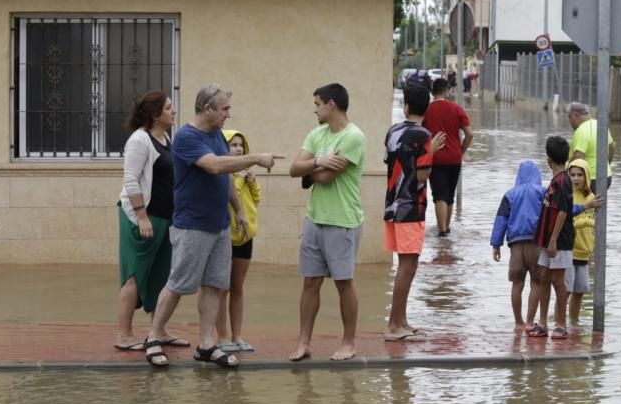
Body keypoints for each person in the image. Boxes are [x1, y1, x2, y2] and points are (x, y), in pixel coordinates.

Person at [143, 84, 280, 368]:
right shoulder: (186, 137)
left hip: (219, 225)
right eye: (224, 108)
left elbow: (226, 176)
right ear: (207, 108)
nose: (228, 114)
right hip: (192, 224)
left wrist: (239, 210)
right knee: (179, 283)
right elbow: (215, 166)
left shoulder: (217, 135)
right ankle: (154, 337)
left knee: (215, 285)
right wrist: (255, 157)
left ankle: (207, 344)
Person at [288, 83, 366, 362]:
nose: (315, 109)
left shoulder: (353, 137)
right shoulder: (317, 134)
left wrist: (311, 170)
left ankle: (348, 342)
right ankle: (304, 343)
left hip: (342, 221)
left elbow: (323, 179)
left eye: (318, 104)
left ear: (331, 104)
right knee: (310, 282)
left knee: (344, 283)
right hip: (315, 219)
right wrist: (319, 161)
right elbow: (294, 169)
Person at [115, 91, 187, 351]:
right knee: (134, 275)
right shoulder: (139, 140)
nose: (173, 111)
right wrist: (142, 216)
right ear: (156, 114)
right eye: (169, 108)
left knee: (160, 275)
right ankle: (124, 335)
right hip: (141, 218)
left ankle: (159, 330)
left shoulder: (166, 138)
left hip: (165, 217)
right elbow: (131, 179)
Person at [382, 84, 444, 341]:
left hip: (392, 205)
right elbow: (421, 175)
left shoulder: (392, 131)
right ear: (426, 108)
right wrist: (432, 152)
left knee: (405, 264)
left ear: (406, 106)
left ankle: (401, 320)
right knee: (408, 266)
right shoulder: (424, 135)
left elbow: (390, 162)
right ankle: (394, 326)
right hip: (411, 207)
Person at [215, 129, 263, 353]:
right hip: (225, 236)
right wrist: (240, 180)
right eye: (232, 145)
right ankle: (221, 336)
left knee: (237, 287)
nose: (238, 149)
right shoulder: (222, 175)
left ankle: (237, 336)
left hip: (245, 236)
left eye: (240, 145)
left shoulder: (246, 172)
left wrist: (252, 183)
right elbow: (227, 198)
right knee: (221, 289)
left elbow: (256, 199)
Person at [527, 137, 575, 340]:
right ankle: (543, 323)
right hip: (548, 240)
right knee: (544, 278)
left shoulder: (563, 182)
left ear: (548, 159)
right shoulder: (556, 181)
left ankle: (561, 324)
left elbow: (563, 212)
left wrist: (554, 240)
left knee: (558, 281)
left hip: (560, 241)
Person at [490, 160, 546, 332]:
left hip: (515, 246)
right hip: (536, 243)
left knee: (517, 283)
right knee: (537, 282)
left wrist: (496, 244)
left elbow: (501, 220)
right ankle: (530, 321)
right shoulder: (543, 192)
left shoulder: (510, 194)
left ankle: (518, 322)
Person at [422, 77, 473, 237]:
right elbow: (470, 134)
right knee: (449, 195)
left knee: (439, 196)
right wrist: (460, 151)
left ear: (432, 92)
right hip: (454, 158)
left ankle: (442, 231)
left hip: (435, 158)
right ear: (446, 91)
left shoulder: (426, 110)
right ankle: (447, 230)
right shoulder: (456, 108)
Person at [565, 158, 604, 323]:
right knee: (565, 291)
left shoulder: (592, 197)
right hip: (568, 250)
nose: (576, 178)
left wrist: (593, 251)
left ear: (586, 176)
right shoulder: (567, 195)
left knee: (579, 291)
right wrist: (586, 222)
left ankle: (573, 322)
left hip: (584, 253)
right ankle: (560, 322)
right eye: (572, 174)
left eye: (579, 175)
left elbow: (595, 228)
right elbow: (567, 221)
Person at [567, 102, 615, 189]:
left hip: (589, 179)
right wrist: (606, 165)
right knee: (598, 202)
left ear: (575, 115)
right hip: (606, 177)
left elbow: (578, 156)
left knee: (581, 202)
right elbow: (612, 147)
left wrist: (566, 173)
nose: (569, 121)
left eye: (569, 117)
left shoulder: (581, 130)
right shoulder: (600, 125)